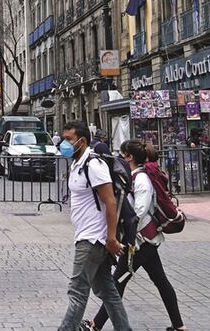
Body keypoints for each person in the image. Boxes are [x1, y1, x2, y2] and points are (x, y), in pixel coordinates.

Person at [89, 140, 185, 331]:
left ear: (129, 157)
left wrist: (121, 230)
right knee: (160, 280)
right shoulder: (132, 176)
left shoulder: (141, 179)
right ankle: (179, 326)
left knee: (117, 282)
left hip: (141, 240)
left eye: (122, 154)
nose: (119, 158)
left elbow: (138, 213)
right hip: (146, 240)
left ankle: (96, 325)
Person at [57, 120, 130, 331]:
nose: (65, 143)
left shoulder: (93, 165)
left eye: (69, 139)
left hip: (92, 240)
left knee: (77, 292)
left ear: (82, 141)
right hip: (88, 236)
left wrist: (111, 238)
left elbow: (110, 201)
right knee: (107, 290)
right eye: (64, 139)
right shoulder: (77, 163)